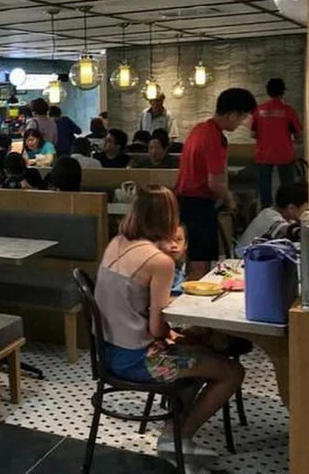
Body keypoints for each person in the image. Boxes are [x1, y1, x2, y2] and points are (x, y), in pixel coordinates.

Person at [94, 184, 245, 460]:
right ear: (169, 216)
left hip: (108, 351)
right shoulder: (159, 261)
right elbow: (156, 329)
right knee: (232, 371)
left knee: (201, 350)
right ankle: (178, 438)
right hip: (138, 360)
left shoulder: (116, 243)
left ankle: (174, 430)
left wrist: (177, 336)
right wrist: (175, 335)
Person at [176, 88, 257, 280]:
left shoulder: (199, 129)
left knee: (191, 254)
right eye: (242, 117)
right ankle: (198, 293)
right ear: (232, 115)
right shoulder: (214, 138)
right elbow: (215, 183)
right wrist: (231, 200)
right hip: (199, 203)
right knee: (201, 258)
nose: (242, 123)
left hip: (183, 200)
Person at [251, 78, 303, 208]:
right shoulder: (289, 111)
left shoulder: (258, 110)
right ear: (282, 92)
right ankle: (287, 209)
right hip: (284, 153)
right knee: (288, 187)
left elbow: (253, 134)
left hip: (264, 154)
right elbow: (298, 135)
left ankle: (266, 210)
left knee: (264, 186)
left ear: (268, 92)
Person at [239, 182, 309, 248]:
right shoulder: (270, 218)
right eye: (306, 208)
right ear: (291, 208)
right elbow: (288, 231)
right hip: (244, 256)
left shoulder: (284, 215)